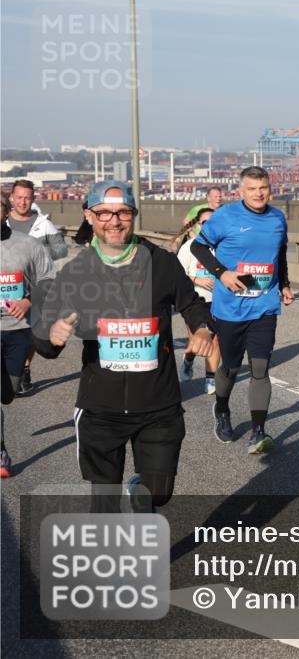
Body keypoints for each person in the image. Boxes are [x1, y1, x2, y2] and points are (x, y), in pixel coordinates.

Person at [33, 180, 214, 510]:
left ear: (134, 214)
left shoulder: (161, 262)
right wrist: (51, 334)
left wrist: (201, 328)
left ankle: (140, 491)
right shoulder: (76, 272)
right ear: (89, 216)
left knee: (158, 493)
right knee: (104, 504)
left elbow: (192, 304)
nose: (114, 221)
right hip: (101, 407)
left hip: (158, 402)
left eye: (123, 213)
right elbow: (45, 335)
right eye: (104, 213)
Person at [190, 166, 294, 454]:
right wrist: (222, 273)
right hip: (230, 308)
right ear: (241, 191)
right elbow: (198, 248)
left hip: (264, 305)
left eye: (263, 188)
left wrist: (284, 283)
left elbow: (280, 253)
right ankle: (222, 410)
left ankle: (258, 432)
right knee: (232, 367)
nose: (259, 194)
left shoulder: (277, 218)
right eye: (252, 189)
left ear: (269, 189)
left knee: (260, 367)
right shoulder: (225, 217)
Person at [1, 191, 56, 477]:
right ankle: (0, 452)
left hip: (18, 330)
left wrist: (28, 300)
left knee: (7, 394)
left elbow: (48, 279)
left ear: (5, 210)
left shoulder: (27, 245)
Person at [8, 179, 68, 394]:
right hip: (7, 285)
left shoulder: (43, 224)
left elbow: (61, 249)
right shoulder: (2, 222)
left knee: (28, 330)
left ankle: (24, 368)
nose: (23, 202)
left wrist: (38, 256)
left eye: (27, 198)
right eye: (19, 197)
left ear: (33, 199)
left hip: (36, 288)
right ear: (11, 198)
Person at [175, 208, 221, 394]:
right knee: (197, 339)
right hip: (194, 301)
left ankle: (211, 378)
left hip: (218, 300)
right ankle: (188, 360)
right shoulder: (189, 247)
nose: (209, 226)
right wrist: (197, 279)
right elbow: (177, 276)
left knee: (216, 340)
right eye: (204, 223)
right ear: (198, 225)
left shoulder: (224, 246)